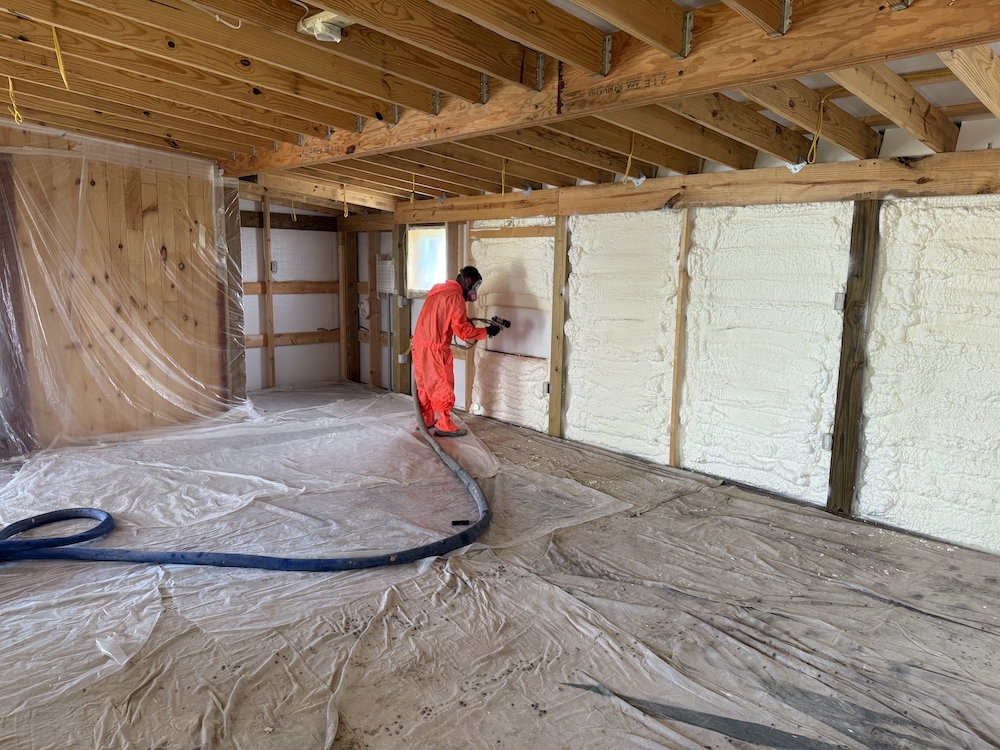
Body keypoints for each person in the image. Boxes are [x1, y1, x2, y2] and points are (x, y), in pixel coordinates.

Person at [412, 266, 501, 438]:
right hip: (436, 350)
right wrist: (486, 331)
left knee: (424, 386)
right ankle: (444, 426)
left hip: (419, 346)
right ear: (468, 281)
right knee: (442, 385)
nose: (474, 291)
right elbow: (463, 332)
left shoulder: (437, 292)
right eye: (475, 286)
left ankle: (425, 420)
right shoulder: (455, 298)